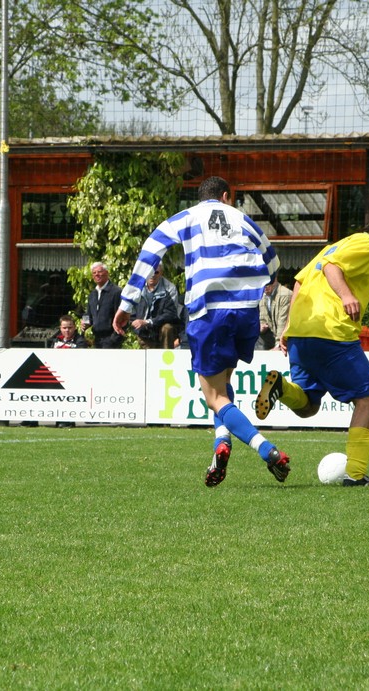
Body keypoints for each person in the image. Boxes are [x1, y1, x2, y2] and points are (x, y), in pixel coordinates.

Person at [113, 175, 290, 486]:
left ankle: (267, 450)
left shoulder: (187, 217)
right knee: (223, 385)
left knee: (213, 396)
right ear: (226, 196)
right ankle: (220, 445)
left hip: (210, 311)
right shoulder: (242, 218)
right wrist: (269, 280)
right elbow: (272, 259)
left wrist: (127, 302)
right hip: (246, 311)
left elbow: (151, 249)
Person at [255, 205, 369, 486]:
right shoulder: (366, 245)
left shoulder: (334, 245)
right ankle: (356, 476)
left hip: (302, 333)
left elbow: (300, 282)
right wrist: (346, 295)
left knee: (308, 406)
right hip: (331, 333)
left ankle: (281, 388)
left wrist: (289, 327)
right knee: (367, 400)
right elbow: (332, 268)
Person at [129, 262, 180, 349]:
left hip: (163, 331)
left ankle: (166, 356)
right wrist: (134, 322)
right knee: (149, 357)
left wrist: (148, 322)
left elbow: (171, 314)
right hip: (144, 332)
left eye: (156, 272)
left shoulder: (170, 288)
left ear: (161, 273)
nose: (152, 275)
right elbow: (130, 309)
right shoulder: (137, 288)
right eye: (150, 272)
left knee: (167, 328)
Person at [85, 262, 123, 349]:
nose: (97, 274)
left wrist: (114, 339)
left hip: (111, 339)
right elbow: (88, 314)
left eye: (99, 272)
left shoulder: (116, 292)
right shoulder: (92, 294)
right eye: (94, 273)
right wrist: (85, 323)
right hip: (97, 340)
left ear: (107, 273)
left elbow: (122, 316)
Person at [255, 276, 292, 352]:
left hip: (287, 337)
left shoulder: (285, 295)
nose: (265, 287)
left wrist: (278, 344)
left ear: (275, 280)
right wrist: (261, 326)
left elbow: (283, 322)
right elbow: (262, 317)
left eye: (268, 284)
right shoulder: (262, 295)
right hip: (272, 335)